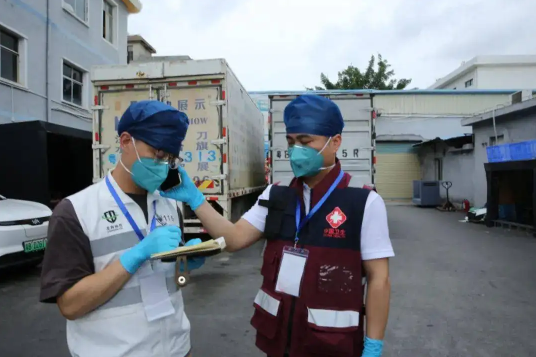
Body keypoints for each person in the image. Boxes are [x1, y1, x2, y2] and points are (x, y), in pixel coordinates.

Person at [160, 95, 395, 357]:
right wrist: (197, 200)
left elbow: (379, 279)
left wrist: (373, 346)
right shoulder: (276, 195)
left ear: (335, 142)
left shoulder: (363, 201)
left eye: (306, 142)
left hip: (332, 346)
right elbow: (235, 239)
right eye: (291, 142)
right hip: (279, 342)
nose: (296, 150)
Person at [39, 101, 205, 357]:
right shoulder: (76, 211)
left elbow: (172, 283)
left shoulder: (169, 204)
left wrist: (183, 262)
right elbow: (70, 305)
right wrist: (135, 256)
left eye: (171, 159)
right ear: (126, 141)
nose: (164, 165)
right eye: (158, 155)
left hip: (177, 349)